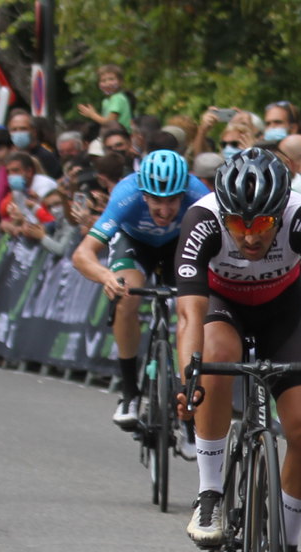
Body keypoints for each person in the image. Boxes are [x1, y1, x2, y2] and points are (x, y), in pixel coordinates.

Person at [172, 148, 301, 552]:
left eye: (263, 224)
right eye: (238, 224)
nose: (250, 236)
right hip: (222, 308)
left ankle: (287, 548)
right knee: (214, 359)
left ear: (281, 211)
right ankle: (210, 493)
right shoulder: (202, 219)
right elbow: (189, 315)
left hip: (282, 314)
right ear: (224, 215)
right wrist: (188, 379)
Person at [69, 148, 210, 429]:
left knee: (192, 307)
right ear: (144, 194)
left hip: (179, 244)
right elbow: (82, 254)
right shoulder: (126, 195)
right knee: (126, 293)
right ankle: (130, 391)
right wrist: (106, 276)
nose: (165, 211)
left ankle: (189, 397)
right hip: (135, 243)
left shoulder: (199, 195)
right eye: (157, 201)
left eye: (173, 201)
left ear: (183, 193)